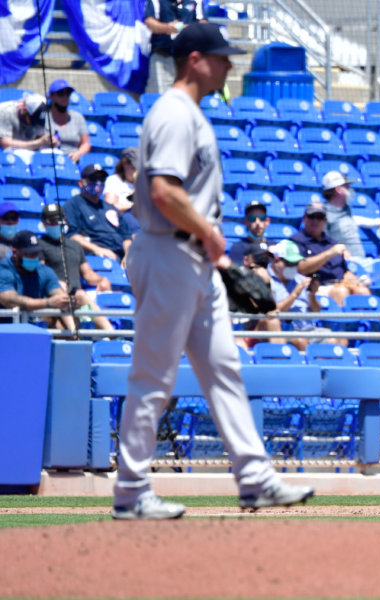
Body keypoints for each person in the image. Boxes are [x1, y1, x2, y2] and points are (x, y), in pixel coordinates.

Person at [114, 22, 314, 520]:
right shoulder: (175, 113)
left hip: (194, 260)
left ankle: (254, 478)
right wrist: (208, 229)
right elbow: (163, 190)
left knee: (225, 368)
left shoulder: (192, 114)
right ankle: (132, 490)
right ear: (195, 59)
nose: (230, 65)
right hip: (169, 251)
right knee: (153, 376)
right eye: (222, 57)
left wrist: (208, 242)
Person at [38, 204, 114, 332]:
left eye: (58, 219)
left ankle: (108, 334)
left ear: (65, 220)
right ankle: (93, 332)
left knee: (81, 295)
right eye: (51, 220)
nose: (55, 223)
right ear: (44, 223)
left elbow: (88, 274)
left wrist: (101, 280)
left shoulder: (75, 245)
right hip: (55, 297)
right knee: (75, 294)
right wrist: (55, 284)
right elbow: (42, 272)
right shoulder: (40, 245)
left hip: (77, 298)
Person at [267, 239, 343, 350]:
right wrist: (295, 294)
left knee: (338, 340)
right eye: (290, 263)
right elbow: (273, 313)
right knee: (300, 342)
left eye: (296, 263)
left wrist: (312, 294)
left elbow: (316, 311)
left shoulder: (300, 279)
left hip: (309, 329)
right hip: (285, 330)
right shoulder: (266, 280)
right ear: (277, 260)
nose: (294, 267)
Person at [291, 201, 370, 306]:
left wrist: (357, 282)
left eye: (319, 217)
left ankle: (373, 322)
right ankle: (340, 322)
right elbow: (301, 268)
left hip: (337, 284)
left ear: (325, 221)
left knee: (362, 291)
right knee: (341, 291)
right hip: (313, 287)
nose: (315, 220)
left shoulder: (331, 243)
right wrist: (329, 253)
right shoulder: (296, 241)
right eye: (311, 216)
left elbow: (344, 272)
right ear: (304, 218)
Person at [64, 163, 133, 263]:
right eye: (93, 178)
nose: (98, 182)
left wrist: (128, 255)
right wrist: (97, 249)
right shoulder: (73, 205)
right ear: (81, 183)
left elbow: (126, 236)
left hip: (120, 255)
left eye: (101, 179)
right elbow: (73, 236)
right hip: (96, 256)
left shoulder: (110, 207)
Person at [0, 231, 72, 325]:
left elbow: (58, 295)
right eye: (29, 253)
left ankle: (76, 337)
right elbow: (9, 300)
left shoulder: (44, 271)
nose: (33, 257)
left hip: (35, 324)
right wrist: (48, 303)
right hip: (7, 329)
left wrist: (66, 300)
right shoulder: (4, 270)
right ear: (15, 252)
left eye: (36, 253)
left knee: (78, 298)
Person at [321, 170, 380, 264]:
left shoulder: (346, 210)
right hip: (343, 263)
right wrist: (336, 251)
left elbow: (352, 220)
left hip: (361, 260)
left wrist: (378, 222)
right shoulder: (323, 214)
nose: (350, 189)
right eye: (346, 186)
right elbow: (319, 241)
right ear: (338, 190)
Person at [144, 0, 205, 94]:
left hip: (187, 60)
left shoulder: (196, 1)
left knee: (187, 96)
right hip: (163, 57)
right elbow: (149, 21)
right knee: (160, 96)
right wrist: (167, 28)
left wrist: (187, 29)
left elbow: (203, 23)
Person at [45, 79, 90, 163]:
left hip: (72, 160)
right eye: (61, 94)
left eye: (68, 94)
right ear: (51, 96)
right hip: (48, 159)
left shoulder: (78, 117)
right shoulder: (43, 117)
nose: (65, 97)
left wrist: (78, 153)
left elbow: (86, 143)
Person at [227, 201, 273, 266]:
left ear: (267, 221)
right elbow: (235, 273)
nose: (258, 223)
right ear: (245, 221)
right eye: (252, 219)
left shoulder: (274, 246)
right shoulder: (238, 248)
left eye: (262, 218)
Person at [104, 146, 138, 213]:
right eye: (134, 168)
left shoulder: (144, 181)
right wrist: (133, 206)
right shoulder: (114, 181)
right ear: (124, 162)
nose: (137, 171)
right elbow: (110, 208)